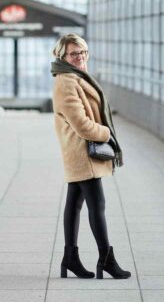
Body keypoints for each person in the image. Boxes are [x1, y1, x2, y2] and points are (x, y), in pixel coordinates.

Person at [50, 33, 131, 280]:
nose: (80, 57)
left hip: (79, 151)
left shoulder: (77, 78)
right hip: (82, 151)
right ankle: (106, 259)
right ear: (62, 56)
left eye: (83, 52)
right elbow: (83, 125)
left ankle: (70, 258)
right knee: (98, 204)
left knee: (74, 204)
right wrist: (107, 133)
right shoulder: (66, 83)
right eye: (74, 53)